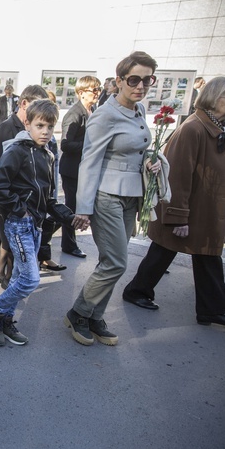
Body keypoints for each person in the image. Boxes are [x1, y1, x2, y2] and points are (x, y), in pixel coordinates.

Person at [64, 51, 161, 346]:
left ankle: (95, 316)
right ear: (119, 80)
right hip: (106, 195)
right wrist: (83, 208)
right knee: (117, 262)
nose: (141, 86)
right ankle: (78, 313)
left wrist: (148, 162)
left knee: (110, 261)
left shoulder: (139, 111)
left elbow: (135, 149)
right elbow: (89, 162)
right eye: (134, 79)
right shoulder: (104, 115)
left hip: (132, 195)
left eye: (148, 80)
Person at [123, 76, 225, 325]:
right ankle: (138, 291)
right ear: (214, 98)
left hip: (203, 209)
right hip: (191, 210)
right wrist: (178, 216)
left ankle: (209, 308)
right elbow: (178, 176)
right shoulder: (194, 128)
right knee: (176, 251)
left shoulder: (213, 126)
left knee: (197, 254)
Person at [0, 99, 83, 346]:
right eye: (40, 125)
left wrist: (70, 217)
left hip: (34, 227)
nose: (45, 131)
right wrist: (20, 210)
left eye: (50, 126)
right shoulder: (17, 150)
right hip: (18, 225)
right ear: (27, 124)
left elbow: (48, 199)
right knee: (30, 279)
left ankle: (5, 319)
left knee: (18, 278)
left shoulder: (47, 155)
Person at [0, 85, 49, 286]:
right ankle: (8, 284)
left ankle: (6, 277)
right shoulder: (8, 128)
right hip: (13, 201)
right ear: (24, 104)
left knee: (13, 246)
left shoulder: (33, 129)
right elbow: (0, 174)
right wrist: (18, 206)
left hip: (23, 202)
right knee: (12, 244)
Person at [59, 76, 101, 259]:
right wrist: (89, 144)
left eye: (98, 89)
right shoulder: (74, 114)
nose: (98, 93)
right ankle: (68, 244)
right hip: (72, 171)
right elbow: (66, 145)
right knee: (72, 208)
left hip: (85, 170)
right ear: (82, 93)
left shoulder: (93, 111)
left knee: (79, 207)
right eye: (94, 90)